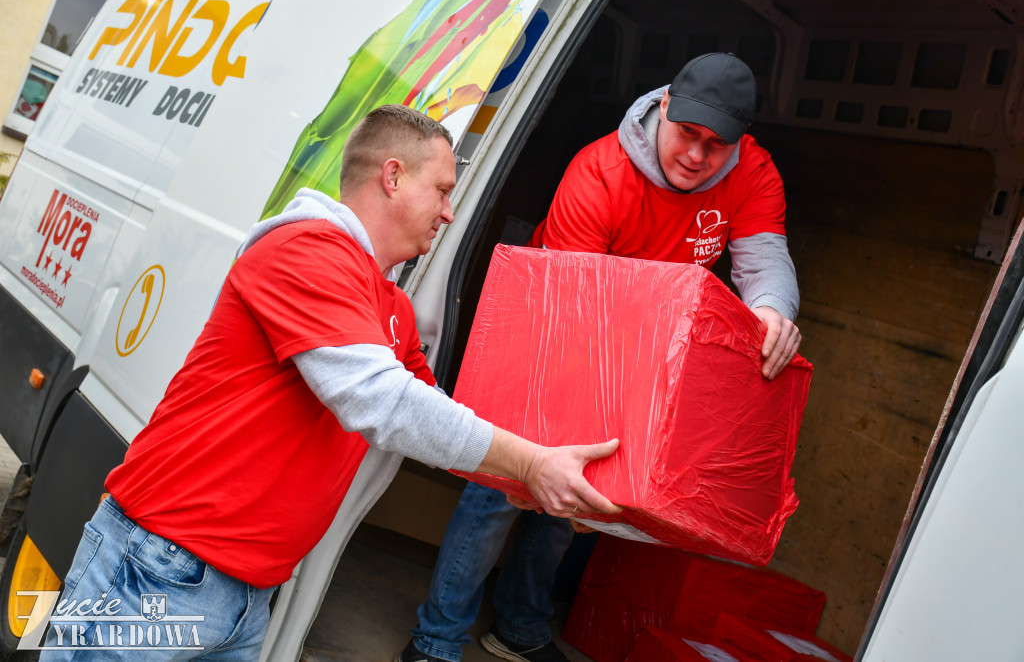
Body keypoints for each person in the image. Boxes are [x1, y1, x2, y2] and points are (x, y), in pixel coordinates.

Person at [38, 105, 621, 661]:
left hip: (248, 594)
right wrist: (529, 463)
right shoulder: (307, 250)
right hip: (160, 568)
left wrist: (523, 480)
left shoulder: (391, 305)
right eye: (443, 191)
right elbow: (380, 400)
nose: (449, 213)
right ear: (392, 176)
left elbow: (428, 413)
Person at [401, 53, 802, 662]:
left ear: (741, 142)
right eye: (688, 135)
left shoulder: (755, 174)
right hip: (555, 330)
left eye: (716, 146)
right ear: (665, 106)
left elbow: (763, 256)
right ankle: (435, 640)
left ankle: (519, 629)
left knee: (576, 500)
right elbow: (574, 306)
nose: (697, 156)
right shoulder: (600, 172)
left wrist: (771, 309)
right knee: (503, 490)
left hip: (647, 353)